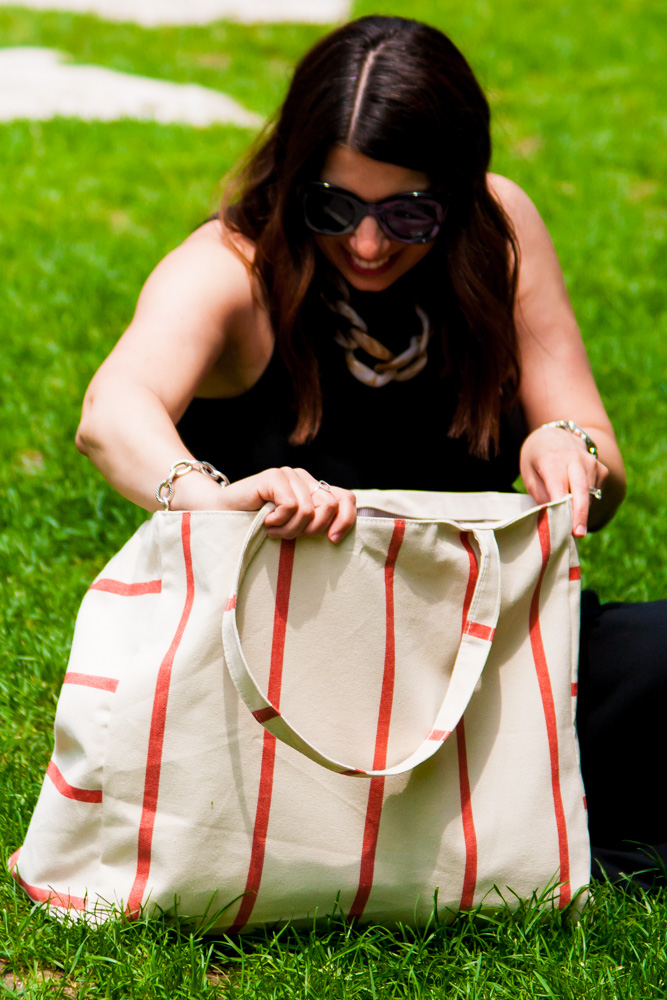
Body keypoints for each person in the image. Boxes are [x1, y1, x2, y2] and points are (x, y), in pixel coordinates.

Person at [75, 16, 664, 887]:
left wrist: (566, 446)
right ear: (293, 181)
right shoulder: (235, 266)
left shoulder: (497, 232)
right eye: (334, 207)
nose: (366, 244)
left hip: (482, 661)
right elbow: (111, 411)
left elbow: (594, 456)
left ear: (457, 192)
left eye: (409, 212)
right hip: (283, 694)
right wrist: (205, 495)